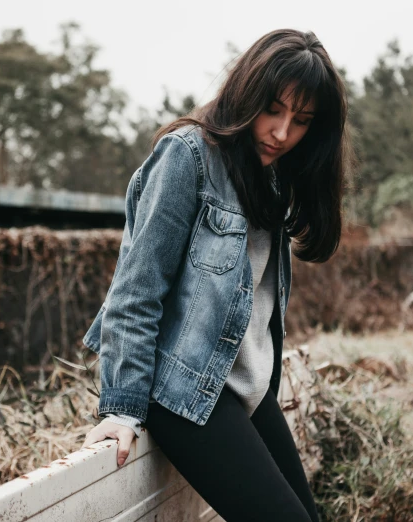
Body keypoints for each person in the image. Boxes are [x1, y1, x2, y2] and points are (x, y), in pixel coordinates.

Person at [81, 28, 348, 522]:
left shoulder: (272, 175)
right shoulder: (187, 156)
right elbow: (135, 291)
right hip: (182, 392)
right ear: (247, 92)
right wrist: (121, 408)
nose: (282, 132)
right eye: (273, 109)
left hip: (243, 386)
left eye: (302, 120)